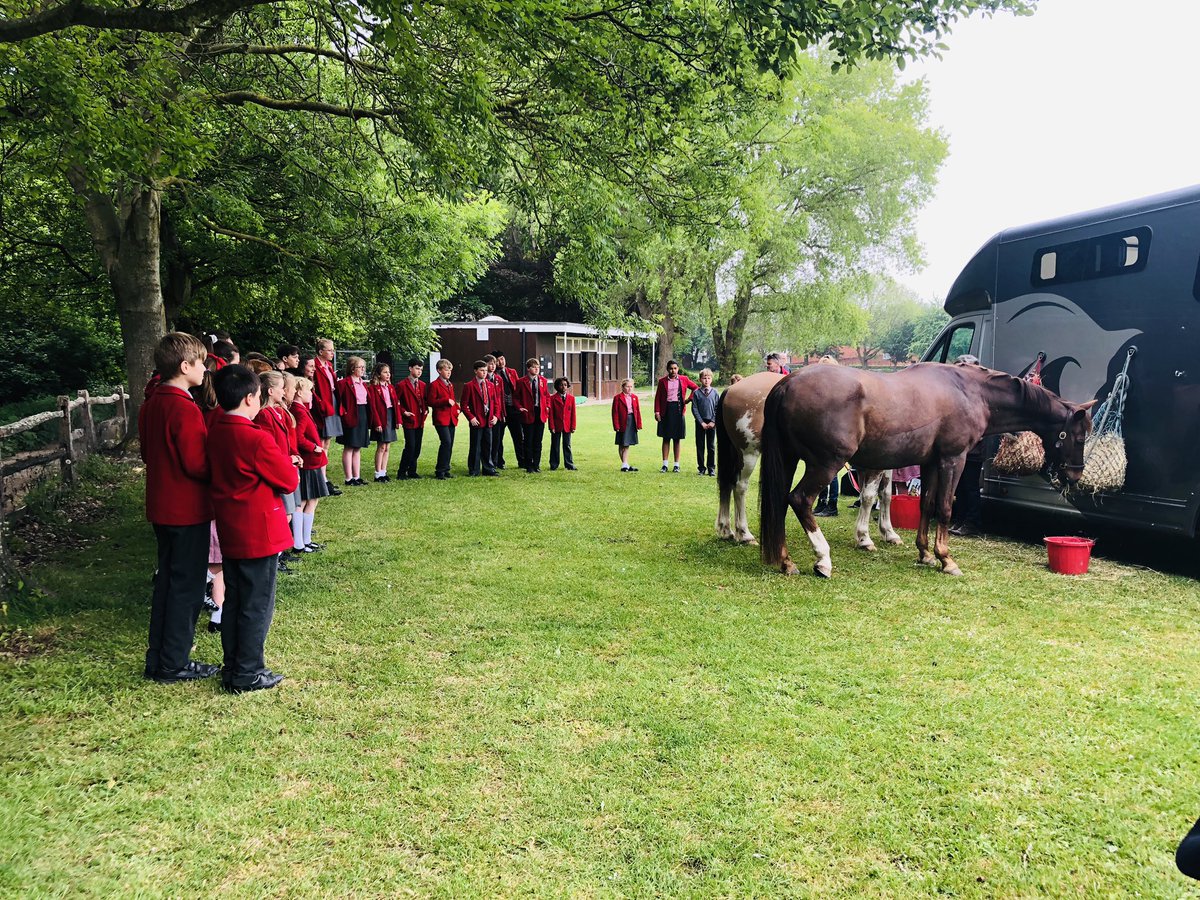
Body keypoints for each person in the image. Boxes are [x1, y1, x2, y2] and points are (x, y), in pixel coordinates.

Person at [208, 364, 298, 694]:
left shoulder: (216, 430)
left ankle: (234, 664)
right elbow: (287, 481)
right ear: (250, 398)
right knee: (257, 603)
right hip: (258, 531)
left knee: (235, 600)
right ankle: (248, 671)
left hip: (231, 527)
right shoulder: (254, 438)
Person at [138, 332, 220, 683]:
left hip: (162, 505)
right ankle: (173, 662)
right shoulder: (182, 406)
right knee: (185, 588)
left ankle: (158, 657)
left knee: (168, 584)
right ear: (184, 366)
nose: (204, 370)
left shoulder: (152, 401)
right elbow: (196, 464)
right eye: (200, 363)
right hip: (186, 509)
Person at [254, 371, 303, 571]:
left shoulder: (277, 411)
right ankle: (276, 557)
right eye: (281, 387)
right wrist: (286, 460)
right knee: (283, 514)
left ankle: (280, 555)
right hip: (278, 466)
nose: (284, 391)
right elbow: (270, 446)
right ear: (271, 390)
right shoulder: (264, 414)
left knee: (288, 513)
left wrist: (293, 456)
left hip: (286, 464)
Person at [290, 377, 328, 554]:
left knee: (311, 500)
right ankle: (300, 542)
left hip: (310, 461)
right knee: (306, 500)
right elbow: (299, 438)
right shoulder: (299, 411)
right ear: (299, 392)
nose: (311, 394)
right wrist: (315, 447)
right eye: (309, 391)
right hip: (309, 461)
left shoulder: (301, 410)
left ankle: (305, 540)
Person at [951, 353, 985, 536]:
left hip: (973, 450)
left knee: (971, 487)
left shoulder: (978, 394)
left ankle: (972, 523)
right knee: (960, 486)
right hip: (959, 448)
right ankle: (959, 519)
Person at [654, 360, 698, 473]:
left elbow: (696, 388)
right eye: (671, 368)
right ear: (667, 369)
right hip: (666, 410)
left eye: (675, 368)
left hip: (678, 410)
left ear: (678, 369)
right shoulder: (662, 381)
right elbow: (658, 397)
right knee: (666, 438)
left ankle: (676, 465)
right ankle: (665, 464)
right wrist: (657, 412)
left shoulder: (684, 379)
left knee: (677, 439)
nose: (673, 370)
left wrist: (689, 399)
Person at [312, 338, 343, 495]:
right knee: (320, 440)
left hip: (331, 402)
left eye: (333, 350)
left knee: (327, 442)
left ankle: (323, 477)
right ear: (321, 351)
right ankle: (319, 478)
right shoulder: (314, 366)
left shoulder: (329, 366)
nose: (332, 353)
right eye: (329, 350)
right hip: (322, 405)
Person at [336, 355, 371, 486]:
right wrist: (344, 414)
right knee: (349, 446)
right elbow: (339, 401)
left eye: (364, 367)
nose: (362, 369)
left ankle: (357, 476)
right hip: (350, 415)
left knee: (358, 447)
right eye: (360, 367)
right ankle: (348, 478)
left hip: (362, 414)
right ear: (352, 368)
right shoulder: (343, 383)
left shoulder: (363, 383)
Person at [461, 360, 499, 476]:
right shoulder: (469, 386)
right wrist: (471, 417)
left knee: (488, 445)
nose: (484, 373)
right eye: (482, 370)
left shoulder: (490, 385)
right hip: (477, 421)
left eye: (486, 371)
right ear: (475, 371)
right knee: (475, 446)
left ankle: (488, 468)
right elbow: (463, 404)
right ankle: (474, 469)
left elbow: (496, 402)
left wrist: (496, 416)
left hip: (489, 420)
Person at [514, 357, 550, 473]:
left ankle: (536, 465)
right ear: (528, 369)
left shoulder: (543, 381)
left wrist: (547, 407)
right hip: (528, 413)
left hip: (540, 413)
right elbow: (516, 398)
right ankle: (528, 465)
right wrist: (520, 407)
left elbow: (546, 395)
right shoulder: (521, 382)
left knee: (538, 441)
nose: (536, 369)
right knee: (528, 440)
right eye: (534, 367)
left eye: (538, 367)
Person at [366, 362, 399, 483]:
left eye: (389, 372)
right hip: (381, 417)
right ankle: (377, 473)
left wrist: (397, 420)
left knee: (387, 447)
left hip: (390, 416)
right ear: (379, 374)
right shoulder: (373, 388)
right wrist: (377, 423)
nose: (388, 374)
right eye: (385, 372)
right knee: (381, 446)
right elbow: (373, 407)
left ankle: (384, 472)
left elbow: (395, 405)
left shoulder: (390, 387)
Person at [395, 358, 427, 478]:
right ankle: (402, 471)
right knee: (410, 446)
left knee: (417, 447)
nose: (419, 371)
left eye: (421, 369)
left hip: (420, 419)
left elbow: (424, 400)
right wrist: (404, 412)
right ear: (410, 368)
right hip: (409, 420)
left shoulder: (423, 385)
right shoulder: (402, 385)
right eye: (417, 368)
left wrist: (425, 411)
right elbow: (396, 402)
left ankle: (412, 471)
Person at [428, 359, 459, 480]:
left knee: (449, 444)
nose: (449, 372)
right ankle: (440, 470)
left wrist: (457, 408)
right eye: (446, 370)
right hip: (441, 419)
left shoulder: (450, 384)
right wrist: (445, 401)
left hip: (451, 418)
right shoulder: (434, 385)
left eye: (450, 370)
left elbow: (453, 400)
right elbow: (430, 401)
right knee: (446, 442)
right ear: (439, 371)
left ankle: (446, 469)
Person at [492, 351, 521, 469]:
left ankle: (522, 461)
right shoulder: (493, 376)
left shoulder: (512, 372)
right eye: (498, 360)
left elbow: (518, 389)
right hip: (500, 410)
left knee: (519, 436)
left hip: (513, 409)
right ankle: (499, 462)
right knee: (498, 437)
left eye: (502, 359)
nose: (501, 362)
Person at [690, 368, 718, 476]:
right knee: (700, 445)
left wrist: (713, 421)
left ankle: (711, 468)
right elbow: (694, 409)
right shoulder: (697, 393)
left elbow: (717, 408)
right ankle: (701, 468)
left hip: (711, 423)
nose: (706, 380)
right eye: (704, 378)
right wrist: (701, 422)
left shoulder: (715, 393)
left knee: (711, 446)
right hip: (700, 423)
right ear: (700, 379)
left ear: (711, 379)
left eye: (708, 378)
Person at [612, 378, 642, 472]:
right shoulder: (617, 398)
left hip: (631, 420)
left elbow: (637, 411)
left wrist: (639, 424)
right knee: (622, 443)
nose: (629, 388)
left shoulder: (634, 397)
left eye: (631, 387)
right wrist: (616, 425)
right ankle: (625, 464)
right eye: (627, 386)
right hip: (622, 422)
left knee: (626, 444)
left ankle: (625, 464)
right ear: (622, 387)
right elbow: (615, 412)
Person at [548, 377, 577, 471]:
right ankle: (554, 464)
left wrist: (573, 426)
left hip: (567, 426)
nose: (563, 387)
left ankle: (569, 464)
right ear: (557, 386)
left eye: (565, 385)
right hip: (556, 426)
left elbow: (573, 413)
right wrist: (551, 426)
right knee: (555, 445)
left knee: (567, 445)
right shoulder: (552, 398)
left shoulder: (571, 398)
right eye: (561, 385)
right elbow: (551, 414)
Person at [483, 354, 506, 471]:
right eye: (489, 364)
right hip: (486, 414)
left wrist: (502, 414)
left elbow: (501, 398)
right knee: (487, 441)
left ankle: (495, 463)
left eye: (493, 363)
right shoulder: (483, 378)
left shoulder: (499, 379)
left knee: (497, 440)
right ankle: (486, 463)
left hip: (497, 414)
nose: (492, 366)